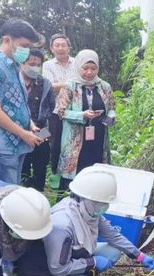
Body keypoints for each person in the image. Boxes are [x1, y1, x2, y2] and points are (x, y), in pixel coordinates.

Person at [16, 166, 154, 276]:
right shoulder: (62, 225)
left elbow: (113, 235)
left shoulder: (87, 211)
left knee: (113, 251)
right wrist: (93, 262)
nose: (105, 206)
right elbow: (58, 269)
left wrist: (139, 256)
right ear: (88, 199)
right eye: (102, 203)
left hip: (68, 259)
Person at [0, 19, 43, 185]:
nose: (27, 51)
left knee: (14, 190)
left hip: (16, 143)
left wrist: (30, 124)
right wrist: (23, 133)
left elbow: (18, 101)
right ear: (7, 40)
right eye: (24, 45)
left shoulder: (14, 65)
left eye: (29, 47)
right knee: (5, 197)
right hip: (3, 145)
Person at [56, 49, 117, 190]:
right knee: (75, 171)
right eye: (85, 68)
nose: (89, 72)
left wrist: (111, 118)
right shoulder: (70, 86)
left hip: (98, 136)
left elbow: (112, 108)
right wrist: (81, 115)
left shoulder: (104, 86)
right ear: (78, 67)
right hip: (75, 138)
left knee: (95, 168)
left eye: (93, 68)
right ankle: (68, 200)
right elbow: (61, 112)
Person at [20, 49, 56, 191]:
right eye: (31, 63)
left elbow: (50, 106)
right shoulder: (15, 82)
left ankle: (39, 191)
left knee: (41, 160)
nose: (34, 67)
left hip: (41, 129)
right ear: (22, 63)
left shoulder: (44, 83)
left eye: (38, 64)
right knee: (23, 162)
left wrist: (39, 127)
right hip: (19, 130)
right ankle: (23, 190)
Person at [43, 34, 76, 180]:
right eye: (57, 45)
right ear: (51, 48)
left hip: (76, 110)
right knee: (55, 142)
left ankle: (72, 170)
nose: (61, 48)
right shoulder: (47, 65)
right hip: (55, 110)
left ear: (69, 47)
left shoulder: (77, 63)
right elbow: (50, 87)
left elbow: (83, 81)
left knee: (73, 141)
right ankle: (56, 173)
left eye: (64, 45)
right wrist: (72, 83)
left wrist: (60, 84)